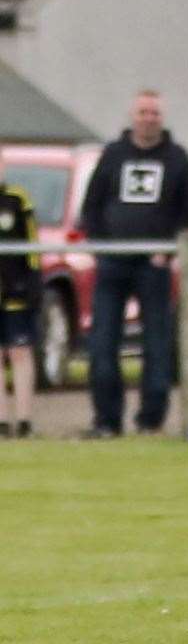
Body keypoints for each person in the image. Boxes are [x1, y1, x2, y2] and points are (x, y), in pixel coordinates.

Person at [78, 90, 188, 438]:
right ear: (133, 116)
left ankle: (150, 419)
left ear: (162, 117)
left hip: (154, 265)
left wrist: (169, 250)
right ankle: (106, 420)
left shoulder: (177, 159)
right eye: (143, 112)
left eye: (154, 113)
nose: (148, 118)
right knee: (102, 343)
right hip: (113, 263)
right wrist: (100, 247)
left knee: (157, 343)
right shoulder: (113, 155)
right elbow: (92, 206)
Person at [0, 161, 39, 439]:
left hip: (15, 290)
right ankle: (1, 420)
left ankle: (24, 419)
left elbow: (33, 244)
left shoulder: (17, 198)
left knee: (20, 352)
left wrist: (33, 279)